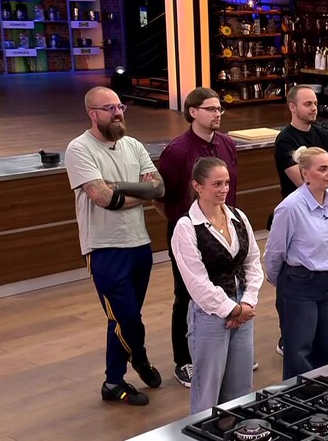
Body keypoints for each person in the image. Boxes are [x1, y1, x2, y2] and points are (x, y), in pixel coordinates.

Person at [64, 86, 165, 406]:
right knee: (127, 318)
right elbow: (103, 198)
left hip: (140, 244)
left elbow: (158, 188)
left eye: (120, 106)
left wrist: (119, 187)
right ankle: (139, 358)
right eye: (109, 108)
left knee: (123, 317)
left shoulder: (133, 145)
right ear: (92, 114)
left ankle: (113, 381)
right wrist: (139, 194)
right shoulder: (79, 149)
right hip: (104, 248)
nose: (118, 112)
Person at [154, 87, 242, 388]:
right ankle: (184, 359)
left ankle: (229, 350)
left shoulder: (227, 144)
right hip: (189, 232)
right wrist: (185, 227)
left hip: (224, 228)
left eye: (220, 109)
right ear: (192, 112)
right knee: (186, 295)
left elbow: (230, 189)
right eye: (211, 109)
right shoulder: (178, 150)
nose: (218, 114)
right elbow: (161, 197)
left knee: (228, 287)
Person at [170, 157, 262, 413]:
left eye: (227, 183)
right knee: (208, 392)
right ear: (197, 186)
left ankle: (236, 430)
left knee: (241, 388)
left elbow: (253, 261)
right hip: (209, 315)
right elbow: (196, 282)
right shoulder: (186, 227)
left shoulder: (238, 217)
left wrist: (246, 303)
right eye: (217, 184)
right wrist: (231, 309)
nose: (224, 189)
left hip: (243, 308)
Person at [273, 85, 328, 355]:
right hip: (301, 218)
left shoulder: (321, 134)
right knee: (299, 340)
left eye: (315, 103)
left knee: (325, 342)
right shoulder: (285, 140)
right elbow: (300, 181)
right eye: (308, 104)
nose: (314, 108)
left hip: (324, 213)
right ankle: (289, 337)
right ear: (292, 107)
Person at [264, 147, 328, 380]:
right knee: (299, 352)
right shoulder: (290, 207)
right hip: (301, 283)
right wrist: (284, 284)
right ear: (305, 173)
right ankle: (299, 398)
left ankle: (326, 395)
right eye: (322, 169)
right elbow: (274, 253)